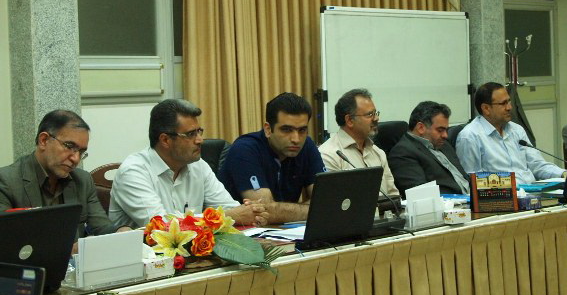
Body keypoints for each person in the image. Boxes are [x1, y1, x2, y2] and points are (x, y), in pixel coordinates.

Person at [109, 99, 268, 228]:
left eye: (199, 131)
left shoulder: (198, 165)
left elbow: (230, 209)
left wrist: (250, 211)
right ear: (165, 140)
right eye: (191, 134)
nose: (200, 140)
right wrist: (225, 217)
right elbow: (162, 227)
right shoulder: (133, 172)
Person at [0, 110, 126, 241]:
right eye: (69, 146)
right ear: (43, 140)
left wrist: (120, 231)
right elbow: (5, 242)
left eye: (81, 152)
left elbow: (102, 227)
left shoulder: (82, 180)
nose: (76, 159)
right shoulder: (6, 181)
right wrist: (66, 249)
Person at [218, 92, 325, 223]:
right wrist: (312, 209)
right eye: (287, 130)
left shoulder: (306, 145)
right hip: (242, 232)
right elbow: (264, 210)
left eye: (302, 130)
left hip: (284, 230)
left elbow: (327, 202)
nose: (296, 139)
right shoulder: (245, 149)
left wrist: (283, 211)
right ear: (268, 129)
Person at [456, 82, 565, 185]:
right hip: (502, 195)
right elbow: (473, 180)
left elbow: (537, 165)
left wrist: (563, 174)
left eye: (509, 101)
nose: (509, 107)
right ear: (486, 108)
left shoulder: (517, 130)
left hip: (533, 191)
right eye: (503, 103)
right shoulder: (470, 136)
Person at [318, 89, 399, 197]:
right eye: (370, 114)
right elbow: (334, 201)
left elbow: (394, 196)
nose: (376, 118)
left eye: (375, 113)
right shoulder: (328, 155)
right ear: (349, 120)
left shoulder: (378, 153)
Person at [388, 101, 469, 197]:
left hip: (473, 198)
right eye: (440, 130)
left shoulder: (444, 144)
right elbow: (421, 196)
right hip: (452, 203)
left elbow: (464, 178)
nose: (445, 135)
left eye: (446, 130)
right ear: (421, 128)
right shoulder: (402, 153)